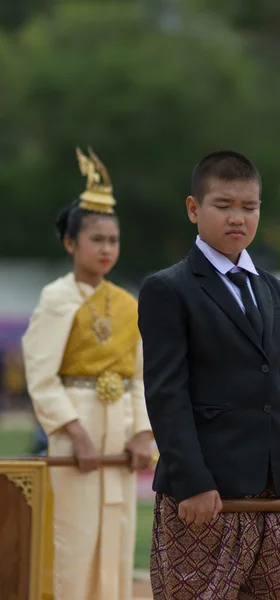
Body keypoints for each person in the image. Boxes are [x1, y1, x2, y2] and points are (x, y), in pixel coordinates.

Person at [138, 150, 280, 600]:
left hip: (278, 495)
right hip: (206, 497)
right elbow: (166, 392)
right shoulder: (168, 288)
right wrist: (193, 482)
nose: (237, 218)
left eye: (249, 207)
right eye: (223, 205)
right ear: (194, 209)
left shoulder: (272, 288)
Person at [22, 147, 153, 600]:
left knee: (117, 538)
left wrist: (143, 432)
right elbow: (40, 375)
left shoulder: (127, 303)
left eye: (112, 241)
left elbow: (139, 377)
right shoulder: (57, 298)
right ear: (70, 243)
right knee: (74, 538)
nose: (106, 249)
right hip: (75, 425)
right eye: (96, 239)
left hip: (119, 428)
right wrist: (74, 432)